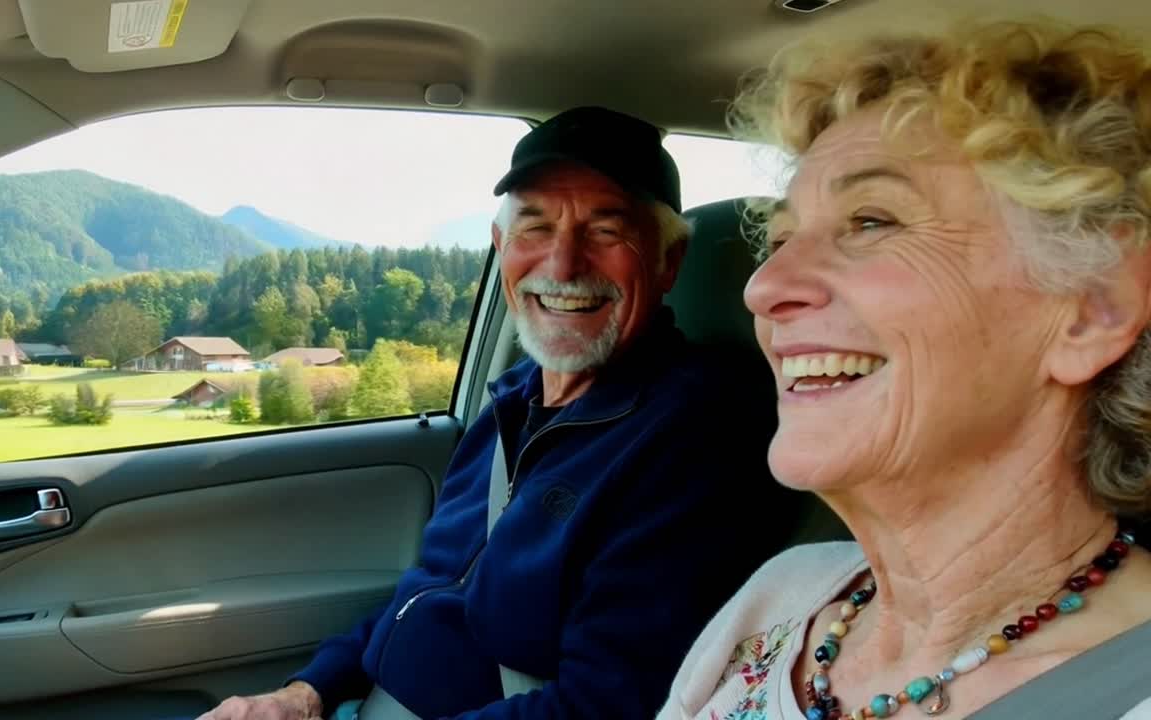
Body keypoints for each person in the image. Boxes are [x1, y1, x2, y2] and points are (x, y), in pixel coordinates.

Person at [197, 106, 791, 720]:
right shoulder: (513, 400)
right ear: (500, 245)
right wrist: (305, 693)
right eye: (534, 228)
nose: (563, 266)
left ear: (668, 261)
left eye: (607, 231)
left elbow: (604, 706)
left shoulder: (695, 437)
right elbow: (429, 588)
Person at [656, 17, 1151, 720]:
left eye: (871, 221)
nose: (762, 287)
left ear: (1094, 309)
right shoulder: (783, 597)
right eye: (782, 237)